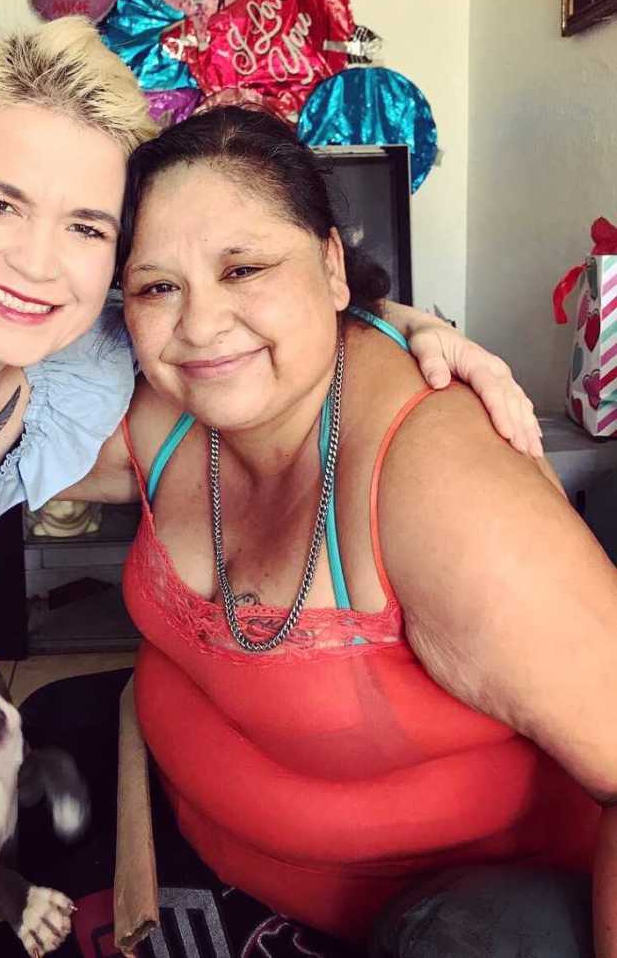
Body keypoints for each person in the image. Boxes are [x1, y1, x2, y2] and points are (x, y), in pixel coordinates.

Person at [0, 18, 541, 958]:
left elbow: (243, 317)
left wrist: (397, 322)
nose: (37, 261)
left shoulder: (74, 373)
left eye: (86, 226)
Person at [52, 106, 617, 958]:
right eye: (157, 285)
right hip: (185, 838)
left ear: (329, 264)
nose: (200, 326)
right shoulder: (167, 411)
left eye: (244, 268)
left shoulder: (443, 487)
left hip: (458, 914)